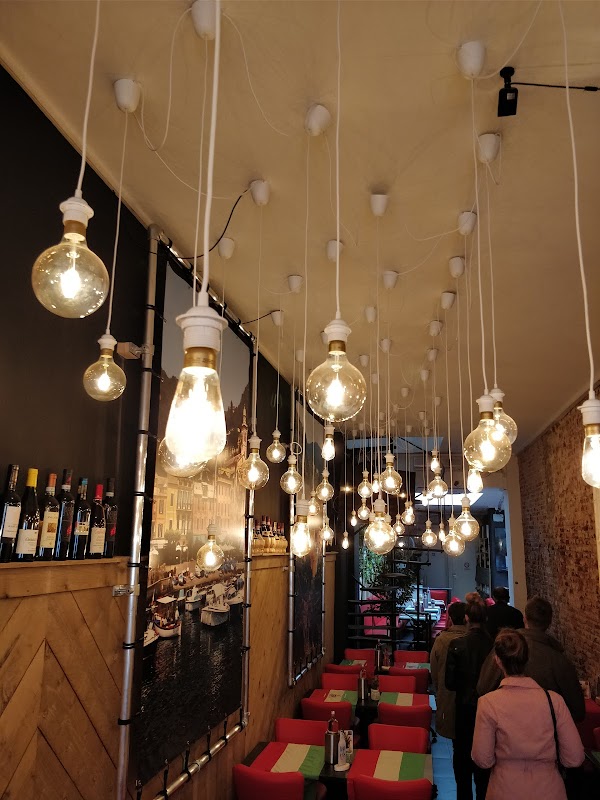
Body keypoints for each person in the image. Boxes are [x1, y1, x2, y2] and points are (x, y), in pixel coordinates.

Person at [472, 629, 584, 800]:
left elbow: (482, 759)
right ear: (527, 659)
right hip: (549, 790)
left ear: (498, 661)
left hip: (505, 790)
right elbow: (575, 758)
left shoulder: (488, 703)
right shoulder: (554, 701)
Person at [477, 596, 585, 722]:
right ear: (549, 621)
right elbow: (577, 711)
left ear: (525, 617)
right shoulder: (559, 660)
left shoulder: (506, 648)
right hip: (545, 730)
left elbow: (483, 687)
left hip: (505, 724)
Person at [445, 601, 493, 800]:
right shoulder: (494, 646)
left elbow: (449, 683)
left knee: (462, 761)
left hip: (464, 709)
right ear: (485, 619)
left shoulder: (457, 645)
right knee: (485, 765)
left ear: (466, 618)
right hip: (489, 710)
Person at [431, 601, 467, 739]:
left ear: (450, 618)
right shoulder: (474, 639)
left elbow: (434, 669)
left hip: (446, 694)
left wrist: (438, 689)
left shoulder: (441, 640)